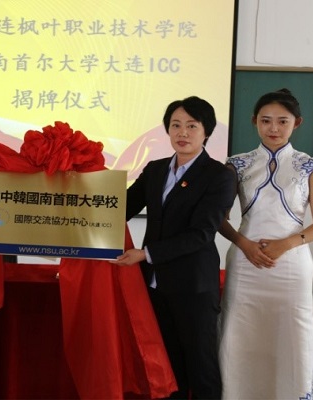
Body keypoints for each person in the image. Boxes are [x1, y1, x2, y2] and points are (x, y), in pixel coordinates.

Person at [112, 96, 236, 398]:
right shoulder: (155, 170)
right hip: (155, 284)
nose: (182, 133)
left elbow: (201, 233)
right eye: (175, 125)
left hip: (193, 285)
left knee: (201, 367)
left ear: (206, 131)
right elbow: (120, 209)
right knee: (167, 366)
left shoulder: (219, 176)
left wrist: (146, 254)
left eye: (192, 126)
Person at [218, 88, 313, 399]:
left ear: (297, 123)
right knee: (239, 337)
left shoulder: (310, 166)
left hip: (291, 267)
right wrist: (244, 244)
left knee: (293, 336)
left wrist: (285, 244)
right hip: (245, 265)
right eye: (266, 120)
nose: (274, 128)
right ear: (254, 121)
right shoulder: (237, 165)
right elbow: (219, 219)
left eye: (283, 121)